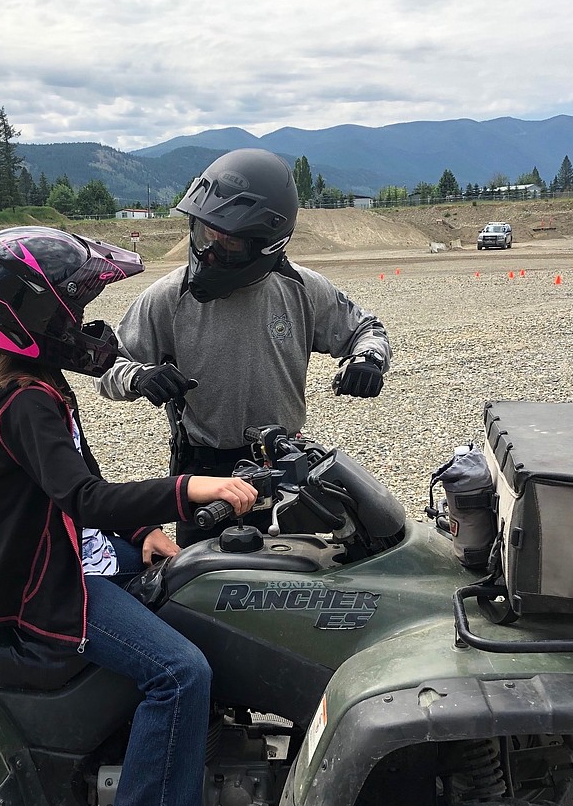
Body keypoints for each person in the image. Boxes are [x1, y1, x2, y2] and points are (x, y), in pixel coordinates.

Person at [0, 225, 257, 806]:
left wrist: (140, 533)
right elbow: (86, 497)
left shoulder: (38, 385)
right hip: (50, 590)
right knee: (181, 672)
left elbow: (85, 500)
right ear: (38, 315)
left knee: (202, 588)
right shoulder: (26, 404)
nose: (89, 325)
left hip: (74, 554)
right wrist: (188, 490)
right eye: (78, 308)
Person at [96, 148, 391, 545]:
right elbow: (108, 367)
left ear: (266, 243)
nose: (210, 251)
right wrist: (138, 376)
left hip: (284, 467)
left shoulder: (302, 289)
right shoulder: (169, 296)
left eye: (229, 243)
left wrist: (368, 360)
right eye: (204, 234)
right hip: (205, 472)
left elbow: (367, 328)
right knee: (203, 591)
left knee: (295, 580)